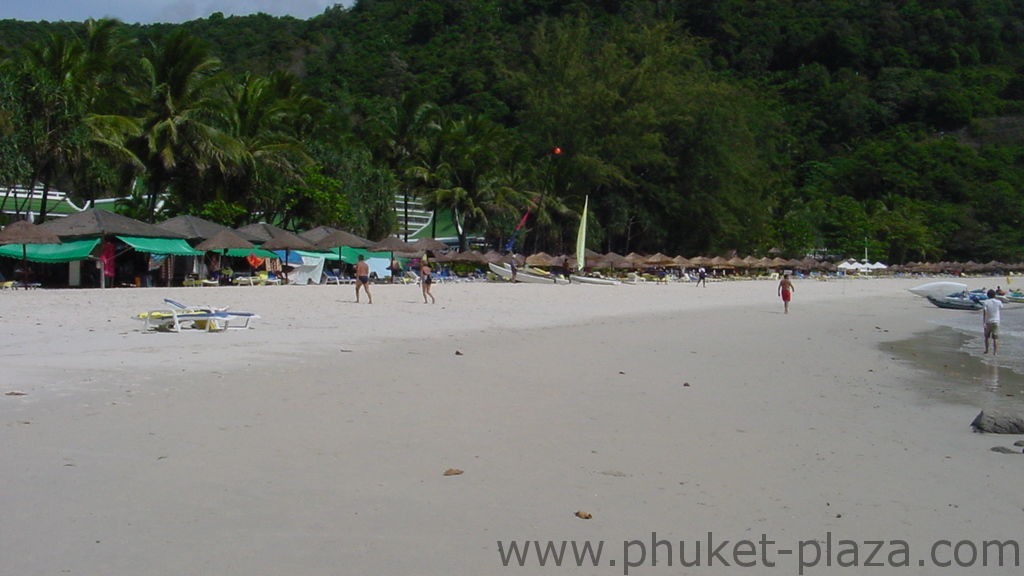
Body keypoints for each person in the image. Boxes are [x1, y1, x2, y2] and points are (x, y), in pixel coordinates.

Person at [982, 289, 1003, 354]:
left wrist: (984, 322)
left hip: (988, 321)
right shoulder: (998, 302)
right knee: (995, 338)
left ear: (988, 295)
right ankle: (995, 352)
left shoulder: (986, 302)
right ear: (994, 295)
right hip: (996, 321)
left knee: (987, 337)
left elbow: (984, 312)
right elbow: (1001, 307)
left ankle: (987, 350)